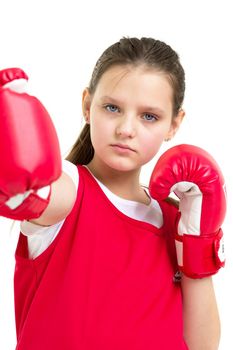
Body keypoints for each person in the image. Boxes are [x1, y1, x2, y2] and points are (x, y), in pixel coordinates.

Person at [0, 37, 226, 350]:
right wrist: (23, 170)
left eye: (149, 116)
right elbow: (45, 191)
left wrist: (198, 241)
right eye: (112, 108)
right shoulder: (70, 188)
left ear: (174, 125)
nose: (126, 129)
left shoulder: (178, 221)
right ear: (87, 106)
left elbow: (202, 345)